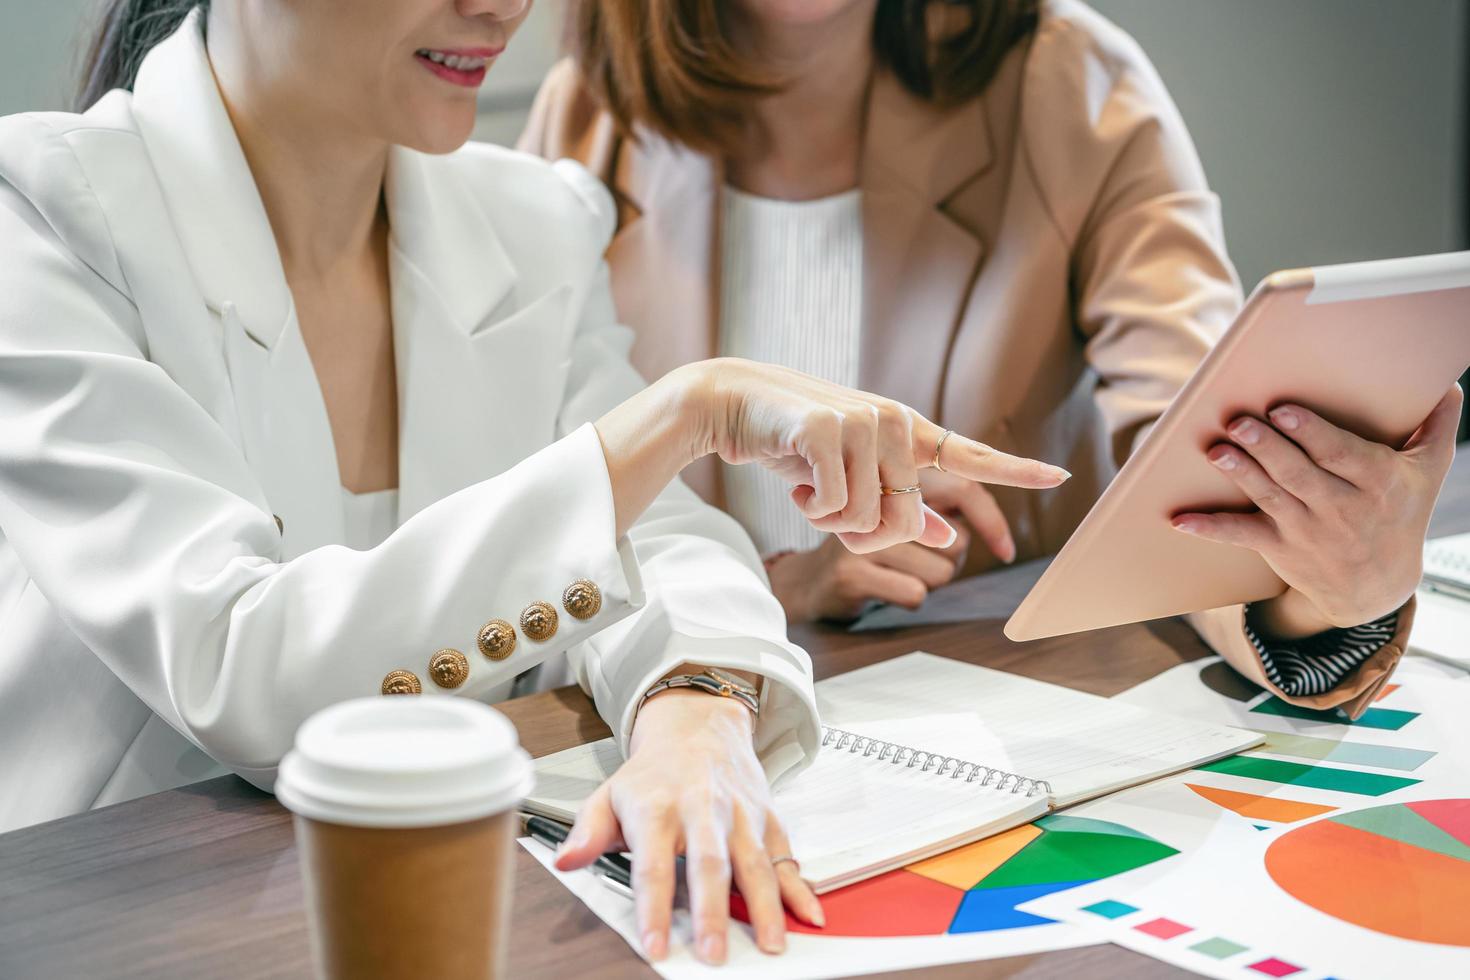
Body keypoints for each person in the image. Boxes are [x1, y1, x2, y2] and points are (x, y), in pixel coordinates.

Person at [0, 0, 1068, 965]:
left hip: (461, 901)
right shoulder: (43, 215)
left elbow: (673, 541)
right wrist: (681, 413)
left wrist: (693, 708)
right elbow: (242, 661)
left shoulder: (532, 222)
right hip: (121, 923)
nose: (504, 6)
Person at [522, 0, 1458, 712]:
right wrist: (775, 585)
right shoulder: (581, 122)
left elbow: (1191, 456)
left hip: (996, 708)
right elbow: (526, 528)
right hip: (691, 712)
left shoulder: (1069, 80)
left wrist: (1335, 598)